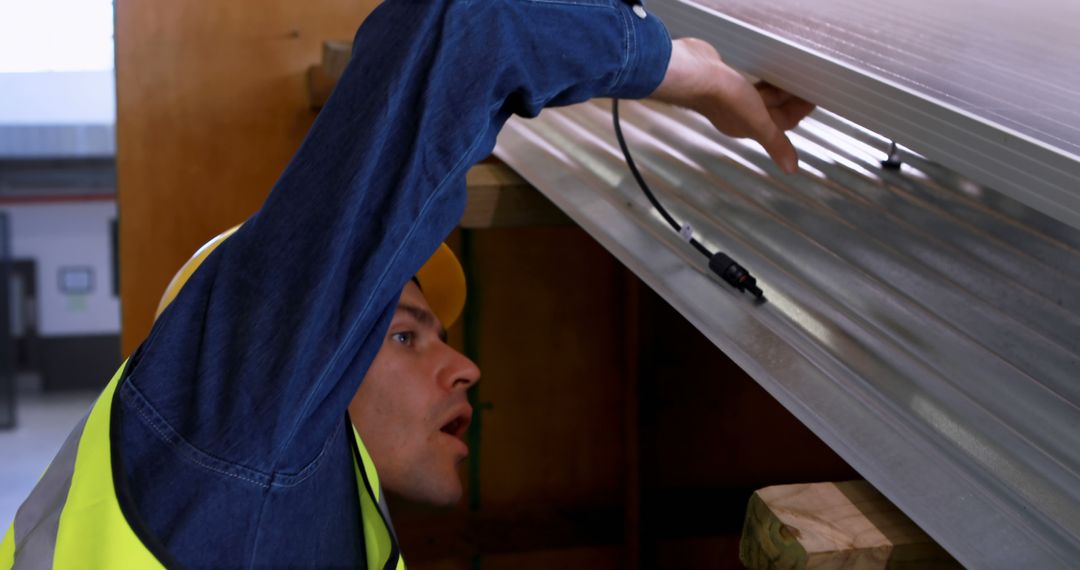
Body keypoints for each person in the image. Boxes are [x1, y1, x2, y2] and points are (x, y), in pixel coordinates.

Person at [1, 0, 813, 567]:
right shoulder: (229, 427)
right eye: (402, 334)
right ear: (297, 346)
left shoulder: (276, 505)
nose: (466, 368)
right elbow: (465, 26)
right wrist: (686, 70)